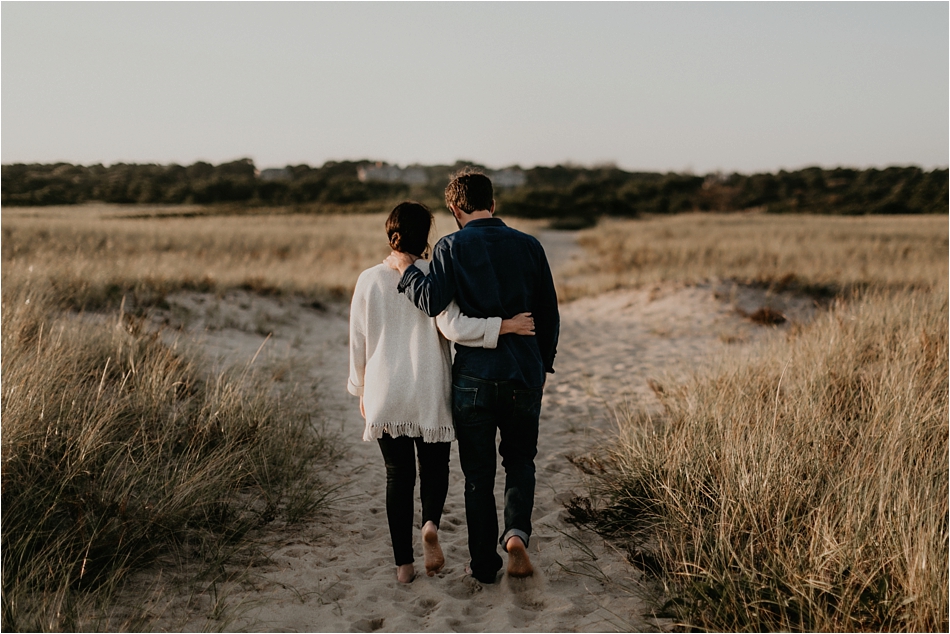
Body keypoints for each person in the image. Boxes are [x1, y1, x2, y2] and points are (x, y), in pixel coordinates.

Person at [347, 201, 535, 584]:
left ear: (390, 233)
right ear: (426, 236)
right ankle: (430, 523)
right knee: (434, 468)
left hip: (385, 393)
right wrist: (505, 327)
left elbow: (358, 342)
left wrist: (361, 390)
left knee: (397, 476)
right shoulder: (435, 276)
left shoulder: (368, 280)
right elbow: (454, 327)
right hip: (430, 389)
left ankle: (404, 566)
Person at [385, 170, 559, 584]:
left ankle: (483, 564)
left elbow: (431, 303)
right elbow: (549, 315)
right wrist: (542, 365)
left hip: (473, 381)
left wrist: (408, 269)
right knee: (520, 462)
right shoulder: (529, 245)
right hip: (522, 374)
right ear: (493, 204)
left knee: (478, 475)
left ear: (454, 209)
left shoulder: (450, 246)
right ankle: (516, 533)